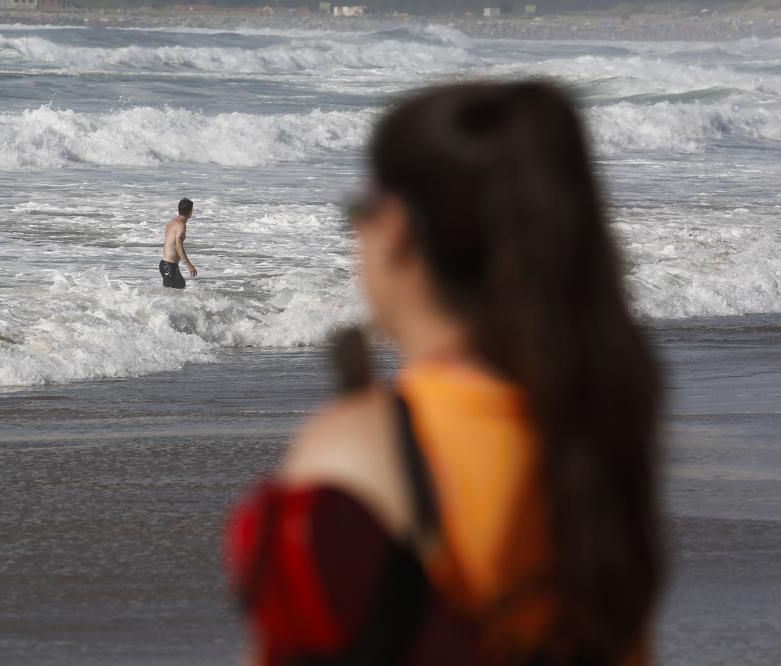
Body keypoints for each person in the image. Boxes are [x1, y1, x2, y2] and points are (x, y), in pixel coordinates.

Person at [225, 81, 662, 665]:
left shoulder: (363, 448)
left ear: (397, 229)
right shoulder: (600, 414)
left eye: (360, 208)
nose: (355, 231)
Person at [160, 198, 197, 289]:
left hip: (166, 264)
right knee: (178, 289)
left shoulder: (172, 222)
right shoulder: (181, 225)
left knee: (176, 291)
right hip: (169, 266)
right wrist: (188, 264)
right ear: (190, 211)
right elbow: (178, 245)